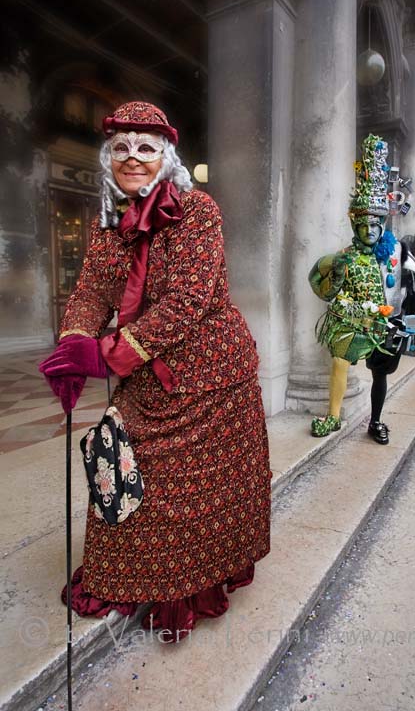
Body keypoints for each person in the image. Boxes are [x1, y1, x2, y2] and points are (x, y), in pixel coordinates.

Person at [39, 101, 272, 643]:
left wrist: (111, 354)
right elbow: (93, 290)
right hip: (145, 371)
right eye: (122, 147)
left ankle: (189, 589)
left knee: (195, 490)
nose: (134, 157)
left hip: (211, 370)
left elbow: (190, 299)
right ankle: (122, 577)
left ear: (166, 156)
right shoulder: (108, 225)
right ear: (108, 158)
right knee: (122, 470)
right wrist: (74, 345)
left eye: (146, 147)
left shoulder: (198, 210)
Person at [308, 134, 409, 445]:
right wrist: (336, 276)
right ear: (355, 226)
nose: (369, 230)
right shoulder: (342, 258)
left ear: (381, 225)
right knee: (339, 361)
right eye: (363, 225)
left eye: (374, 225)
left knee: (380, 373)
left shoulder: (392, 254)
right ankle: (335, 415)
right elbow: (323, 289)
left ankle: (375, 419)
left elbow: (410, 284)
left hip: (382, 323)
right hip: (350, 324)